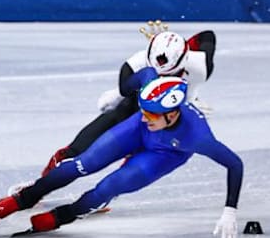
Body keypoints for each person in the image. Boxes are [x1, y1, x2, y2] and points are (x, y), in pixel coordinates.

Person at [0, 70, 244, 238]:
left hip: (164, 154)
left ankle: (63, 216)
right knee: (83, 163)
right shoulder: (147, 114)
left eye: (152, 114)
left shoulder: (198, 137)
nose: (145, 117)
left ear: (172, 114)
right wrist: (121, 92)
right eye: (143, 111)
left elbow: (235, 164)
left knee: (109, 187)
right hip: (135, 134)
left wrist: (230, 210)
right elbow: (145, 73)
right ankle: (25, 198)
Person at [40, 20, 216, 178]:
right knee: (90, 141)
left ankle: (107, 192)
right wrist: (117, 94)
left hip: (170, 115)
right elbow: (125, 89)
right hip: (136, 103)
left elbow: (207, 36)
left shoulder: (199, 66)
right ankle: (45, 179)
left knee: (137, 156)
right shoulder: (138, 62)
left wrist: (177, 43)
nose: (160, 78)